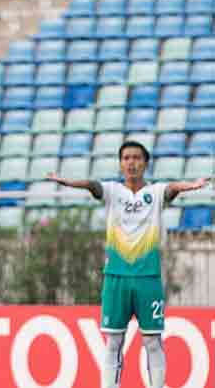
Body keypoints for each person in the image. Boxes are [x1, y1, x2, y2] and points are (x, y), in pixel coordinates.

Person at [47, 141, 210, 388]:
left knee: (153, 342)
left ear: (145, 163)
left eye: (136, 158)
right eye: (126, 158)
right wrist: (69, 182)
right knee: (113, 342)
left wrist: (192, 186)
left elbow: (173, 188)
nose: (131, 162)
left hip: (148, 279)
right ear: (121, 163)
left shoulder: (155, 193)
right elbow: (93, 186)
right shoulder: (112, 191)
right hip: (116, 278)